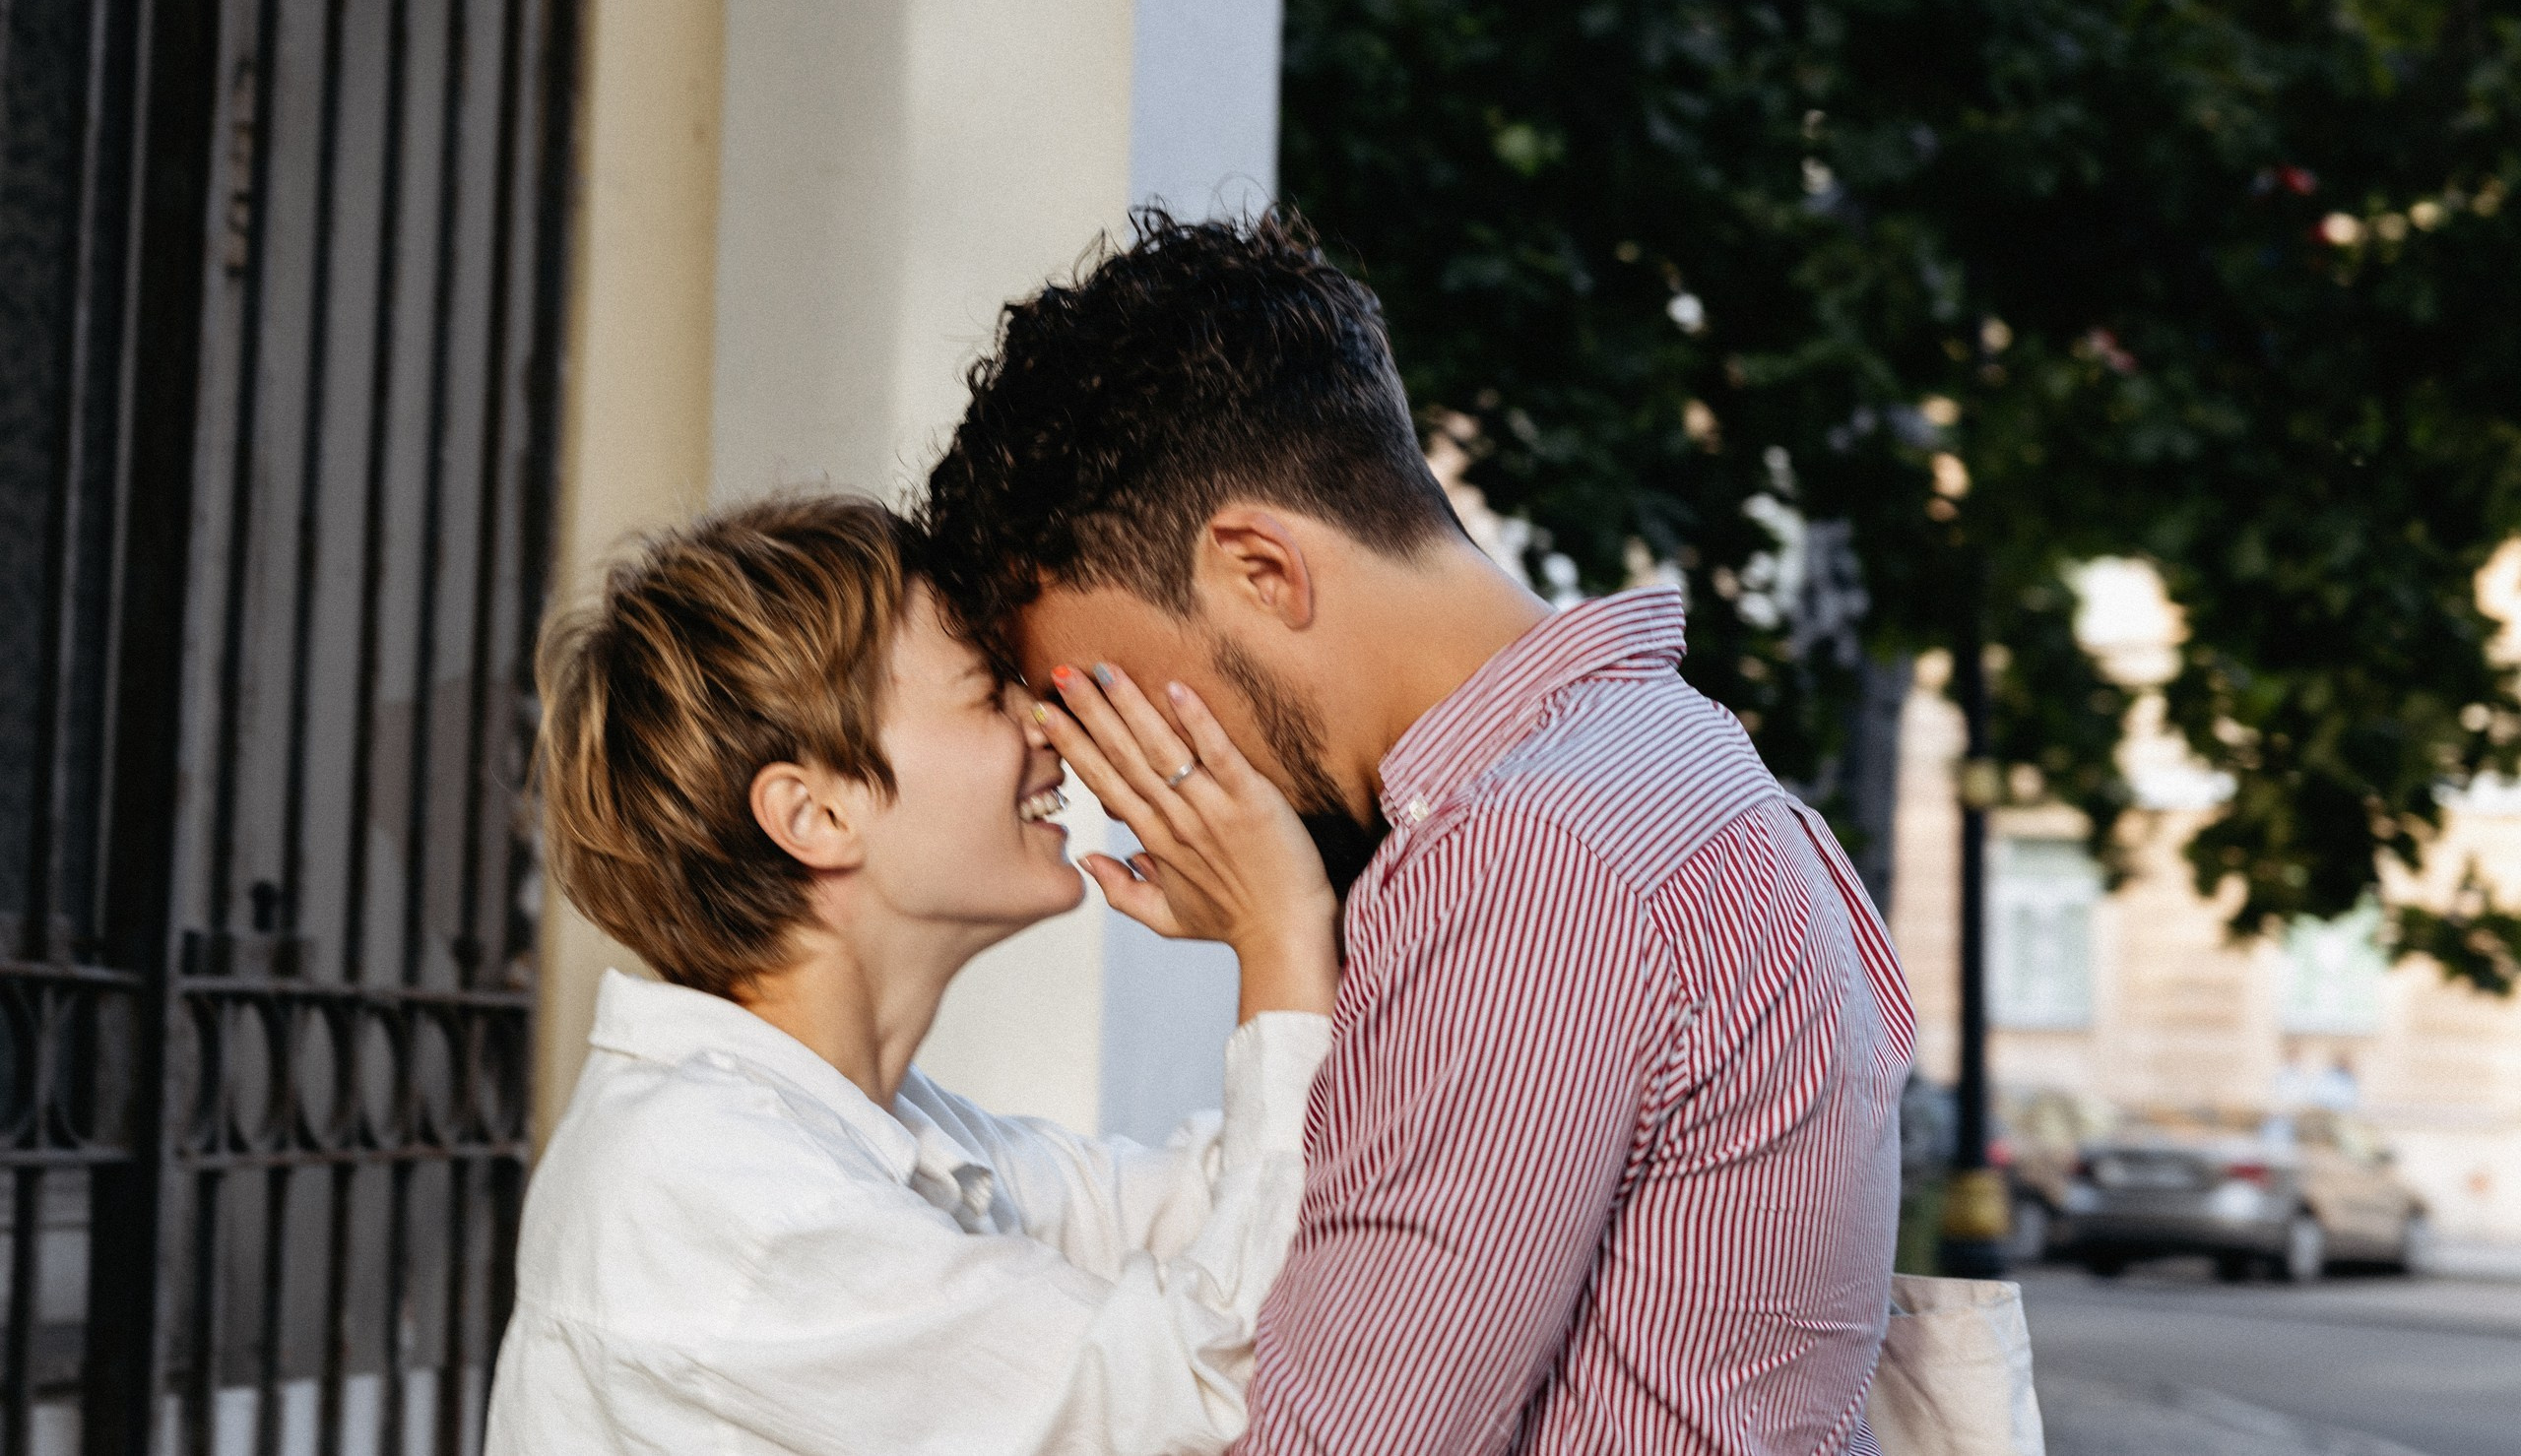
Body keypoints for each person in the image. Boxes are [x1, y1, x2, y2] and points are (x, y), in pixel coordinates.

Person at [921, 210, 1919, 1455]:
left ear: (1259, 571)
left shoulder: (1530, 868)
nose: (1121, 785)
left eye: (1106, 696)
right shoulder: (1676, 769)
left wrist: (1287, 937)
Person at [484, 494, 1341, 1455]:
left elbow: (1221, 1207)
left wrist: (1305, 901)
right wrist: (1278, 933)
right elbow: (1213, 1394)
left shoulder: (867, 1128)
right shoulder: (723, 1194)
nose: (1048, 726)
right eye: (987, 691)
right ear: (814, 815)